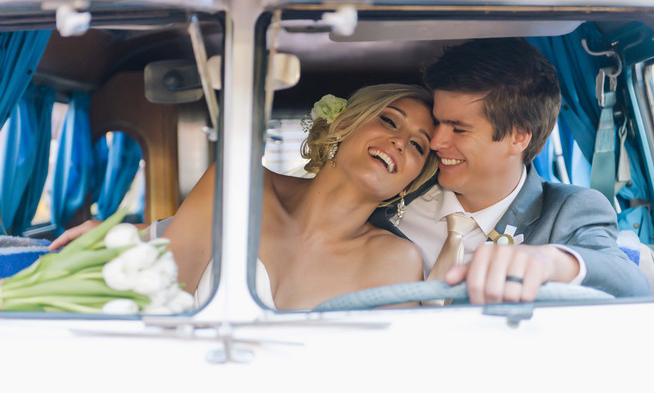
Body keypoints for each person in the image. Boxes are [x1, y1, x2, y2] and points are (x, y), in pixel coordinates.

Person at [52, 84, 440, 311]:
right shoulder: (239, 185)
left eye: (419, 146)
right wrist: (126, 239)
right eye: (389, 120)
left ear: (407, 184)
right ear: (342, 126)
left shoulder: (396, 259)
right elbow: (162, 298)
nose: (399, 142)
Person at [371, 38, 650, 304]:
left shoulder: (570, 209)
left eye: (458, 128)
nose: (435, 142)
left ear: (518, 138)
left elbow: (631, 283)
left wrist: (551, 262)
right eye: (437, 122)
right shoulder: (403, 179)